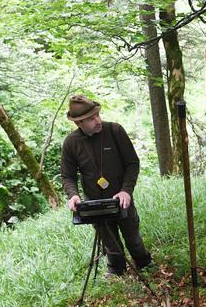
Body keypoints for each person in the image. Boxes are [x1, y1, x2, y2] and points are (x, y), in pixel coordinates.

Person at [61, 95, 152, 276]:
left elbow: (132, 163)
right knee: (110, 243)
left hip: (121, 199)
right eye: (91, 119)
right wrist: (73, 195)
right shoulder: (71, 143)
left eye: (98, 115)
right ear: (79, 123)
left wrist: (126, 191)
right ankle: (117, 271)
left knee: (133, 239)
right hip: (94, 204)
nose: (98, 120)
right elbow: (67, 175)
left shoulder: (115, 131)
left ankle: (145, 265)